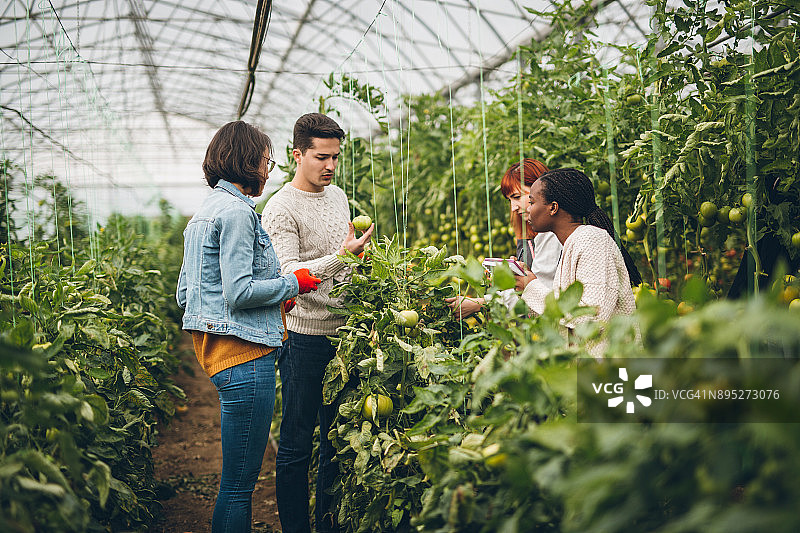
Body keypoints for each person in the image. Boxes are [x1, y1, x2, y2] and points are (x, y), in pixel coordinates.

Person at [176, 121, 321, 533]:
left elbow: (187, 294)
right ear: (247, 161)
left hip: (219, 356)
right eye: (266, 161)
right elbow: (239, 293)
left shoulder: (204, 212)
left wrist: (274, 298)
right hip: (246, 357)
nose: (268, 171)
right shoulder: (238, 213)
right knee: (239, 487)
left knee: (235, 483)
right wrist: (293, 283)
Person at [262, 113, 374, 533]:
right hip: (303, 339)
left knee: (334, 442)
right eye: (321, 157)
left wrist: (358, 264)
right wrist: (342, 257)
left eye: (335, 157)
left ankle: (327, 526)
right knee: (295, 446)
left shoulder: (338, 196)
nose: (330, 166)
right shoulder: (280, 209)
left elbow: (339, 260)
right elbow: (289, 275)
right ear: (297, 155)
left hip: (344, 338)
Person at [514, 168, 641, 332]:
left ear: (553, 208)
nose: (528, 209)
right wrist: (524, 280)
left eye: (532, 203)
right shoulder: (573, 243)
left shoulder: (592, 241)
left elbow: (592, 317)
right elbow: (565, 317)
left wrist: (531, 286)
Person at [445, 158, 562, 318]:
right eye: (509, 200)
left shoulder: (551, 235)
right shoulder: (530, 235)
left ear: (541, 191)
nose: (513, 207)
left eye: (517, 196)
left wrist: (480, 303)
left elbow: (538, 294)